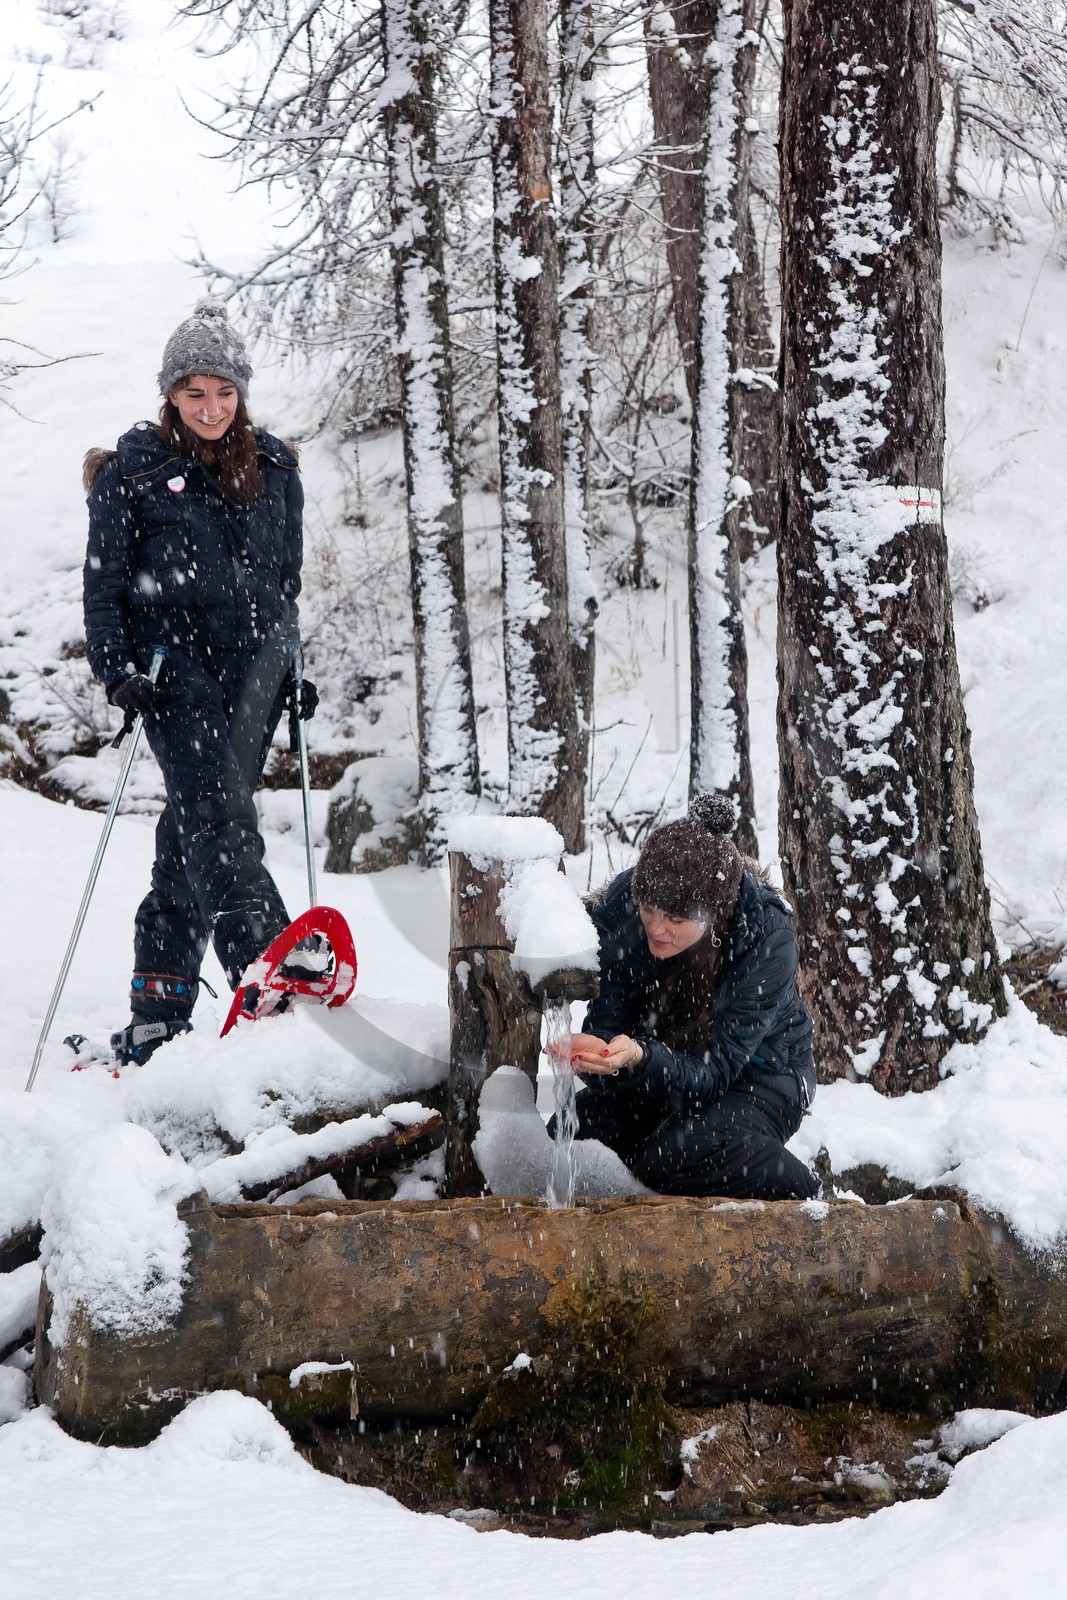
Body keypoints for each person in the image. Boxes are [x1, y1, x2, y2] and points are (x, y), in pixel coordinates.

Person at [83, 299, 318, 1064]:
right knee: (218, 812)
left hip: (251, 672)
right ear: (170, 396)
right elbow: (104, 585)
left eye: (223, 391)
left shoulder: (277, 469)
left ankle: (159, 1002)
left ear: (241, 393)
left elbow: (285, 587)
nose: (210, 408)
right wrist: (116, 670)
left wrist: (290, 672)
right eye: (194, 393)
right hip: (171, 671)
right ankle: (266, 961)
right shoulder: (134, 474)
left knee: (192, 828)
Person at [567, 795, 818, 1200]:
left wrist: (640, 1058)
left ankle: (809, 1198)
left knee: (671, 1158)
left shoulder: (766, 938)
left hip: (760, 1076)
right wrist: (599, 1054)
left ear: (713, 916)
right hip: (655, 1062)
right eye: (649, 910)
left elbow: (715, 1072)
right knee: (570, 1142)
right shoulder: (623, 906)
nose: (657, 929)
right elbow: (608, 1017)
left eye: (677, 920)